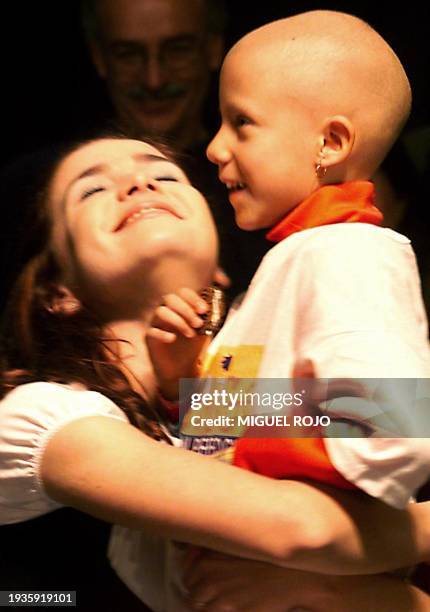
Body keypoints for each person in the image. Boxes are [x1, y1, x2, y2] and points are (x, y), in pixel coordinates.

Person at [1, 135, 430, 611]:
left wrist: (359, 594)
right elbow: (303, 530)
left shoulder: (225, 396)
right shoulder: (39, 417)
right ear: (57, 292)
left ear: (219, 277)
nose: (140, 182)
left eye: (164, 175)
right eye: (92, 190)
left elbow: (381, 417)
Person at [148, 10, 430, 509]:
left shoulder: (350, 255)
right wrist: (181, 384)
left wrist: (249, 461)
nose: (214, 148)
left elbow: (393, 429)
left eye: (241, 123)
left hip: (303, 578)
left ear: (331, 143)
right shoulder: (302, 256)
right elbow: (229, 436)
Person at [80, 0, 269, 298]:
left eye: (177, 49)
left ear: (212, 47)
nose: (154, 79)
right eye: (128, 54)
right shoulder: (38, 183)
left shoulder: (273, 182)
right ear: (99, 57)